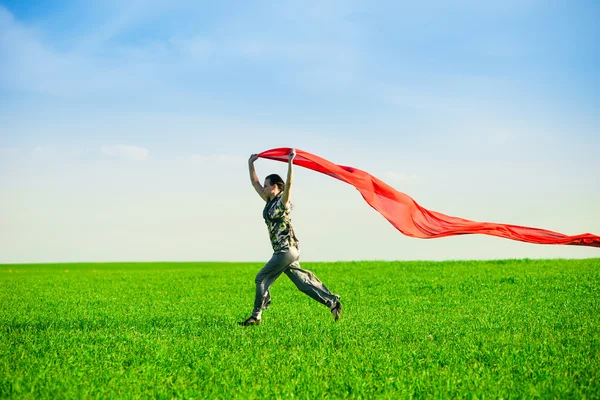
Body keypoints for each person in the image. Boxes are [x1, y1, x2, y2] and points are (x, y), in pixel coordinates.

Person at [238, 149, 342, 326]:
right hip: (285, 251)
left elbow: (290, 184)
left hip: (286, 250)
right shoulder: (269, 201)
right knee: (302, 283)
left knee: (261, 279)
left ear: (276, 186)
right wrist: (251, 163)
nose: (263, 187)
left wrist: (290, 162)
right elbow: (254, 183)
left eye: (267, 184)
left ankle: (256, 316)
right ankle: (332, 302)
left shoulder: (281, 202)